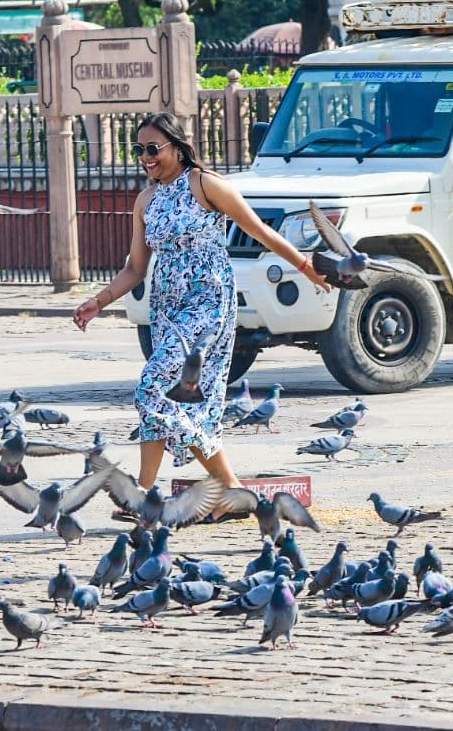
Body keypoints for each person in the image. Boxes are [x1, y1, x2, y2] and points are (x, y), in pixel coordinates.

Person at [72, 112, 331, 520]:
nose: (146, 157)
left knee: (153, 384)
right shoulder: (146, 200)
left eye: (153, 149)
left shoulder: (205, 185)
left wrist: (305, 266)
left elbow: (261, 231)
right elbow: (136, 268)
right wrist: (99, 301)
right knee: (187, 404)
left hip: (208, 305)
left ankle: (143, 496)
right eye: (139, 150)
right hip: (168, 311)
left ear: (176, 145)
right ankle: (232, 494)